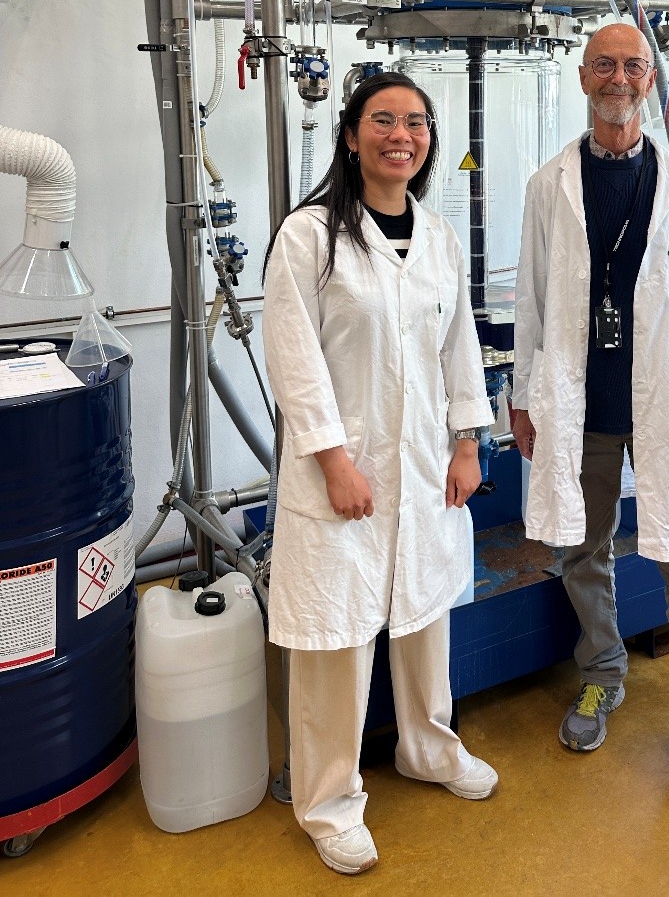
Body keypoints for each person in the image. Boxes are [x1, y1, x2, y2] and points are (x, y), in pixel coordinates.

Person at [262, 71, 498, 876]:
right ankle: (329, 802)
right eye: (384, 120)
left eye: (416, 123)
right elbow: (293, 357)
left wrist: (467, 444)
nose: (402, 136)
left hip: (426, 464)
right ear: (352, 135)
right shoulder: (310, 236)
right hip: (344, 471)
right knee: (336, 638)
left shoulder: (437, 238)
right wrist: (333, 460)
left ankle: (428, 748)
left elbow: (458, 347)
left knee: (426, 614)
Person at [511, 22, 669, 814]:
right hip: (582, 406)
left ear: (651, 80)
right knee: (584, 550)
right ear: (584, 78)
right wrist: (522, 397)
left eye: (633, 66)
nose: (619, 78)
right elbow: (530, 301)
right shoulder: (548, 186)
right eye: (605, 66)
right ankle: (602, 674)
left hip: (666, 405)